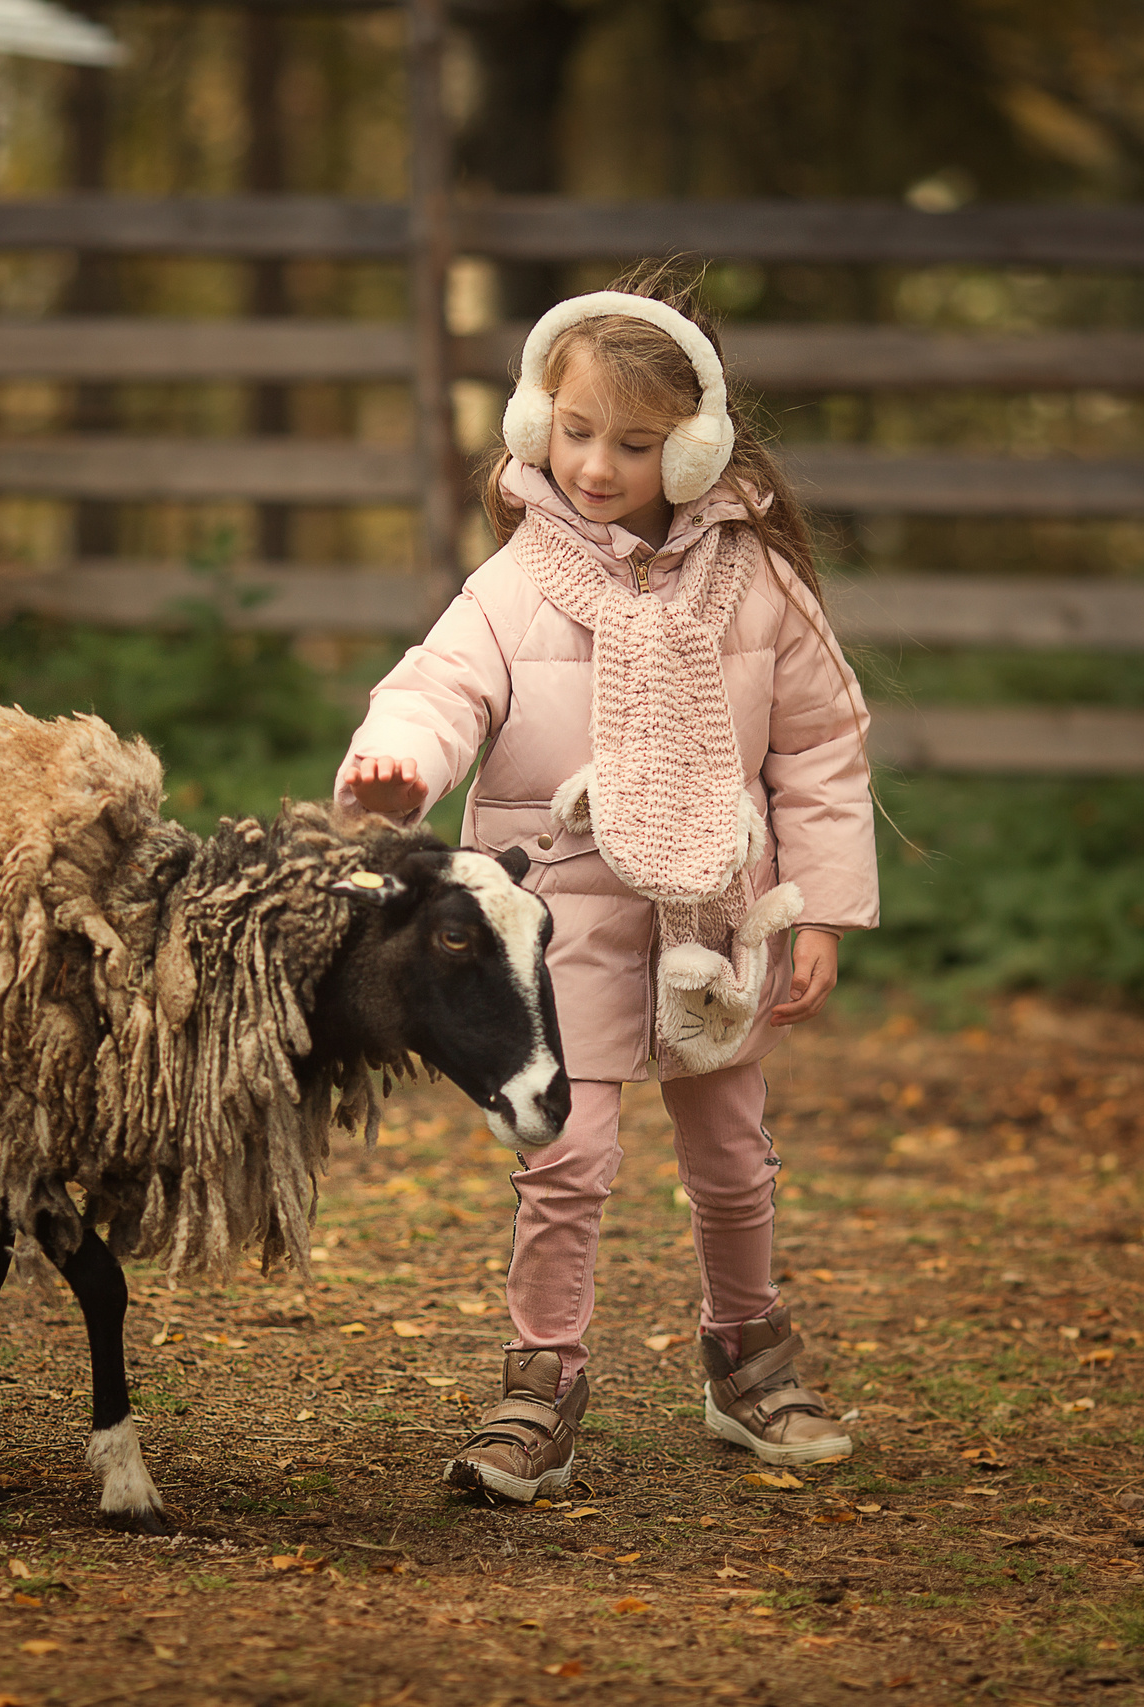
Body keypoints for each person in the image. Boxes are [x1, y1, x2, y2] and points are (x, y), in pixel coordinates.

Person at [334, 261, 879, 1501]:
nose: (595, 466)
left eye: (634, 444)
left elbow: (822, 744)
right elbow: (440, 688)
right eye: (575, 433)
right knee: (564, 1157)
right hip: (560, 920)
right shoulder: (519, 582)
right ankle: (543, 1383)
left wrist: (826, 908)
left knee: (732, 1154)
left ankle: (748, 1360)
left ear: (692, 450)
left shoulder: (758, 584)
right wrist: (398, 769)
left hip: (714, 918)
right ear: (535, 421)